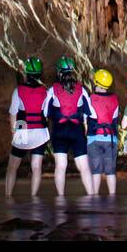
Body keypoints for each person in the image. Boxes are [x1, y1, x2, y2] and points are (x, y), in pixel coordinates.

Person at [44, 57, 95, 196]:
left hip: (59, 131)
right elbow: (90, 111)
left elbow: (45, 112)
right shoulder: (81, 89)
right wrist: (85, 125)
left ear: (59, 72)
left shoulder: (52, 90)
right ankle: (91, 195)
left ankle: (61, 197)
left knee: (60, 166)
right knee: (84, 167)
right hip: (76, 130)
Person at [6, 57, 50, 196]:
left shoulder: (18, 90)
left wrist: (14, 134)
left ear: (26, 72)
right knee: (36, 167)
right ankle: (34, 197)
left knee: (13, 166)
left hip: (22, 129)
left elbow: (13, 114)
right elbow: (46, 113)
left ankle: (8, 196)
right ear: (39, 74)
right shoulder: (45, 91)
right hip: (40, 131)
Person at [86, 68, 120, 194]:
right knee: (111, 171)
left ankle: (94, 197)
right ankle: (112, 196)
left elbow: (87, 119)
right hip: (111, 139)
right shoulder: (115, 99)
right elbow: (115, 119)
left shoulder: (91, 99)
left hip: (94, 138)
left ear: (96, 83)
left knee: (96, 171)